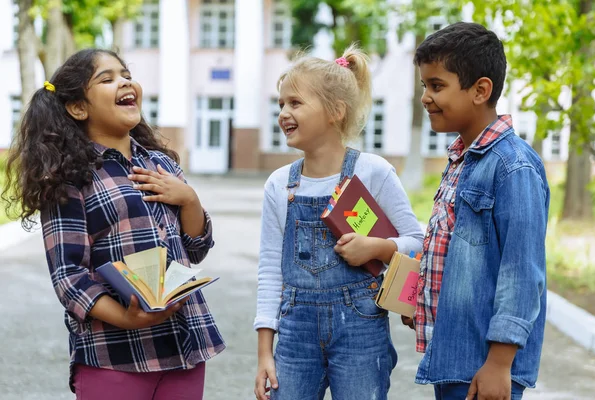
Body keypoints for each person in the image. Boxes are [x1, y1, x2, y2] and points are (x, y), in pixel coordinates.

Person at [2, 49, 225, 400]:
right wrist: (127, 318)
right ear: (78, 107)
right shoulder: (69, 177)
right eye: (106, 79)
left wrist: (190, 200)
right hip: (114, 355)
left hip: (184, 348)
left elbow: (195, 250)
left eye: (125, 74)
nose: (124, 82)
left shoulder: (162, 165)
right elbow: (69, 275)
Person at [253, 44, 424, 400]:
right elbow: (270, 271)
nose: (283, 112)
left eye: (295, 103)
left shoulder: (372, 172)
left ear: (335, 110)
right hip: (295, 334)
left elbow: (417, 240)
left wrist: (378, 248)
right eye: (281, 103)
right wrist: (264, 353)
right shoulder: (279, 184)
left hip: (361, 329)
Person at [409, 22, 550, 400]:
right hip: (454, 354)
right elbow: (452, 250)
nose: (425, 97)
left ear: (480, 90)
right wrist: (420, 301)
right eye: (424, 85)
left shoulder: (513, 167)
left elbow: (522, 272)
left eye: (436, 86)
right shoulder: (461, 159)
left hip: (483, 366)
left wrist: (500, 363)